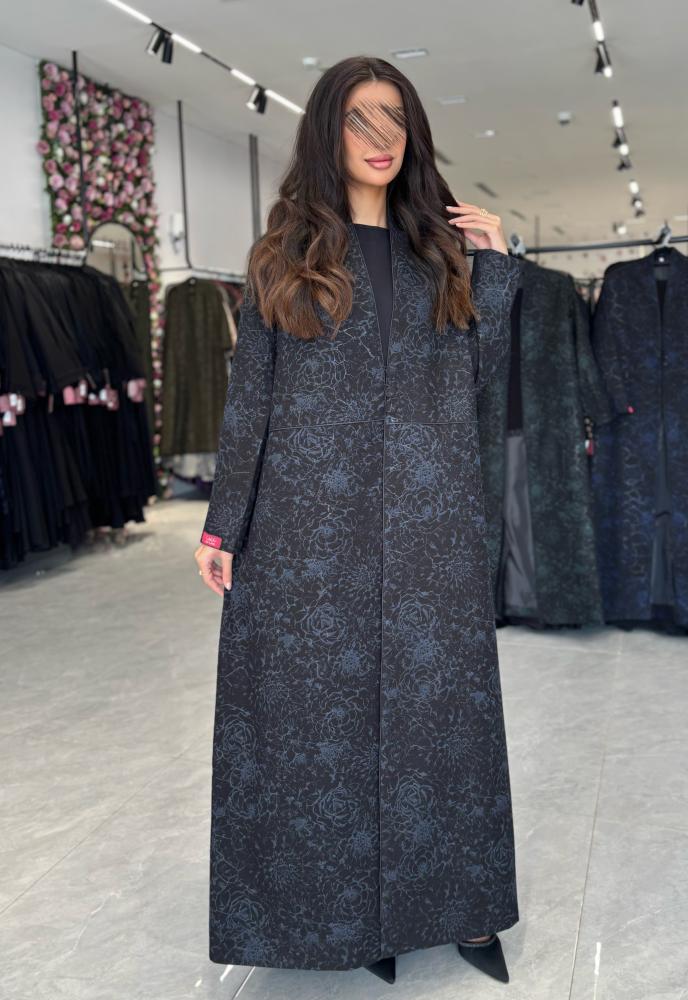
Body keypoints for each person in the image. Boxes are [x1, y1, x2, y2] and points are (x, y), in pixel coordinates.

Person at [194, 54, 521, 986]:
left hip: (428, 529)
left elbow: (478, 387)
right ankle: (347, 921)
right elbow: (251, 402)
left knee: (440, 723)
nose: (381, 138)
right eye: (358, 119)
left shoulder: (439, 256)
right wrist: (222, 525)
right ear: (325, 133)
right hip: (308, 533)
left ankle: (460, 909)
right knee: (316, 727)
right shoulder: (283, 258)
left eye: (395, 118)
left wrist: (497, 269)